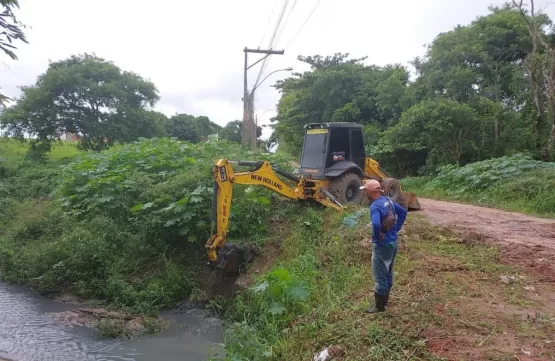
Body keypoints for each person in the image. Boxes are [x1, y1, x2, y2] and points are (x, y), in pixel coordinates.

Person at [360, 179, 407, 314]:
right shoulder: (388, 201)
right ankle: (385, 301)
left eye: (365, 190)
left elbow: (375, 224)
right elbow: (403, 212)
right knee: (388, 272)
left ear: (371, 191)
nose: (364, 193)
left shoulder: (375, 206)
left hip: (382, 246)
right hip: (393, 243)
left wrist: (377, 236)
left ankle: (379, 307)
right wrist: (396, 228)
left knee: (380, 275)